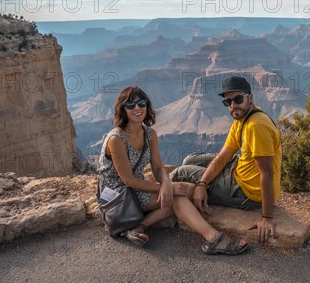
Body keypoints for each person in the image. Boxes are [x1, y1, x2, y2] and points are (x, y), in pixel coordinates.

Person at [97, 86, 248, 255]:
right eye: (130, 105)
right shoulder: (116, 139)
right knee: (178, 196)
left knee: (190, 189)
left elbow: (157, 167)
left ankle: (140, 226)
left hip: (137, 187)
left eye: (141, 103)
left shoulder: (149, 134)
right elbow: (128, 181)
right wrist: (165, 188)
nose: (137, 108)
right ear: (122, 109)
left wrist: (167, 183)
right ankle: (213, 237)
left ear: (147, 106)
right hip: (118, 193)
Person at [170, 76, 282, 244]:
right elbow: (223, 157)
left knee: (180, 173)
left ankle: (158, 202)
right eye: (227, 102)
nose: (233, 106)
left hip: (246, 192)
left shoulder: (256, 126)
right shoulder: (243, 118)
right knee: (189, 160)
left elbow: (267, 173)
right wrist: (202, 184)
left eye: (238, 99)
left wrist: (266, 217)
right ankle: (192, 190)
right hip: (238, 169)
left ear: (250, 98)